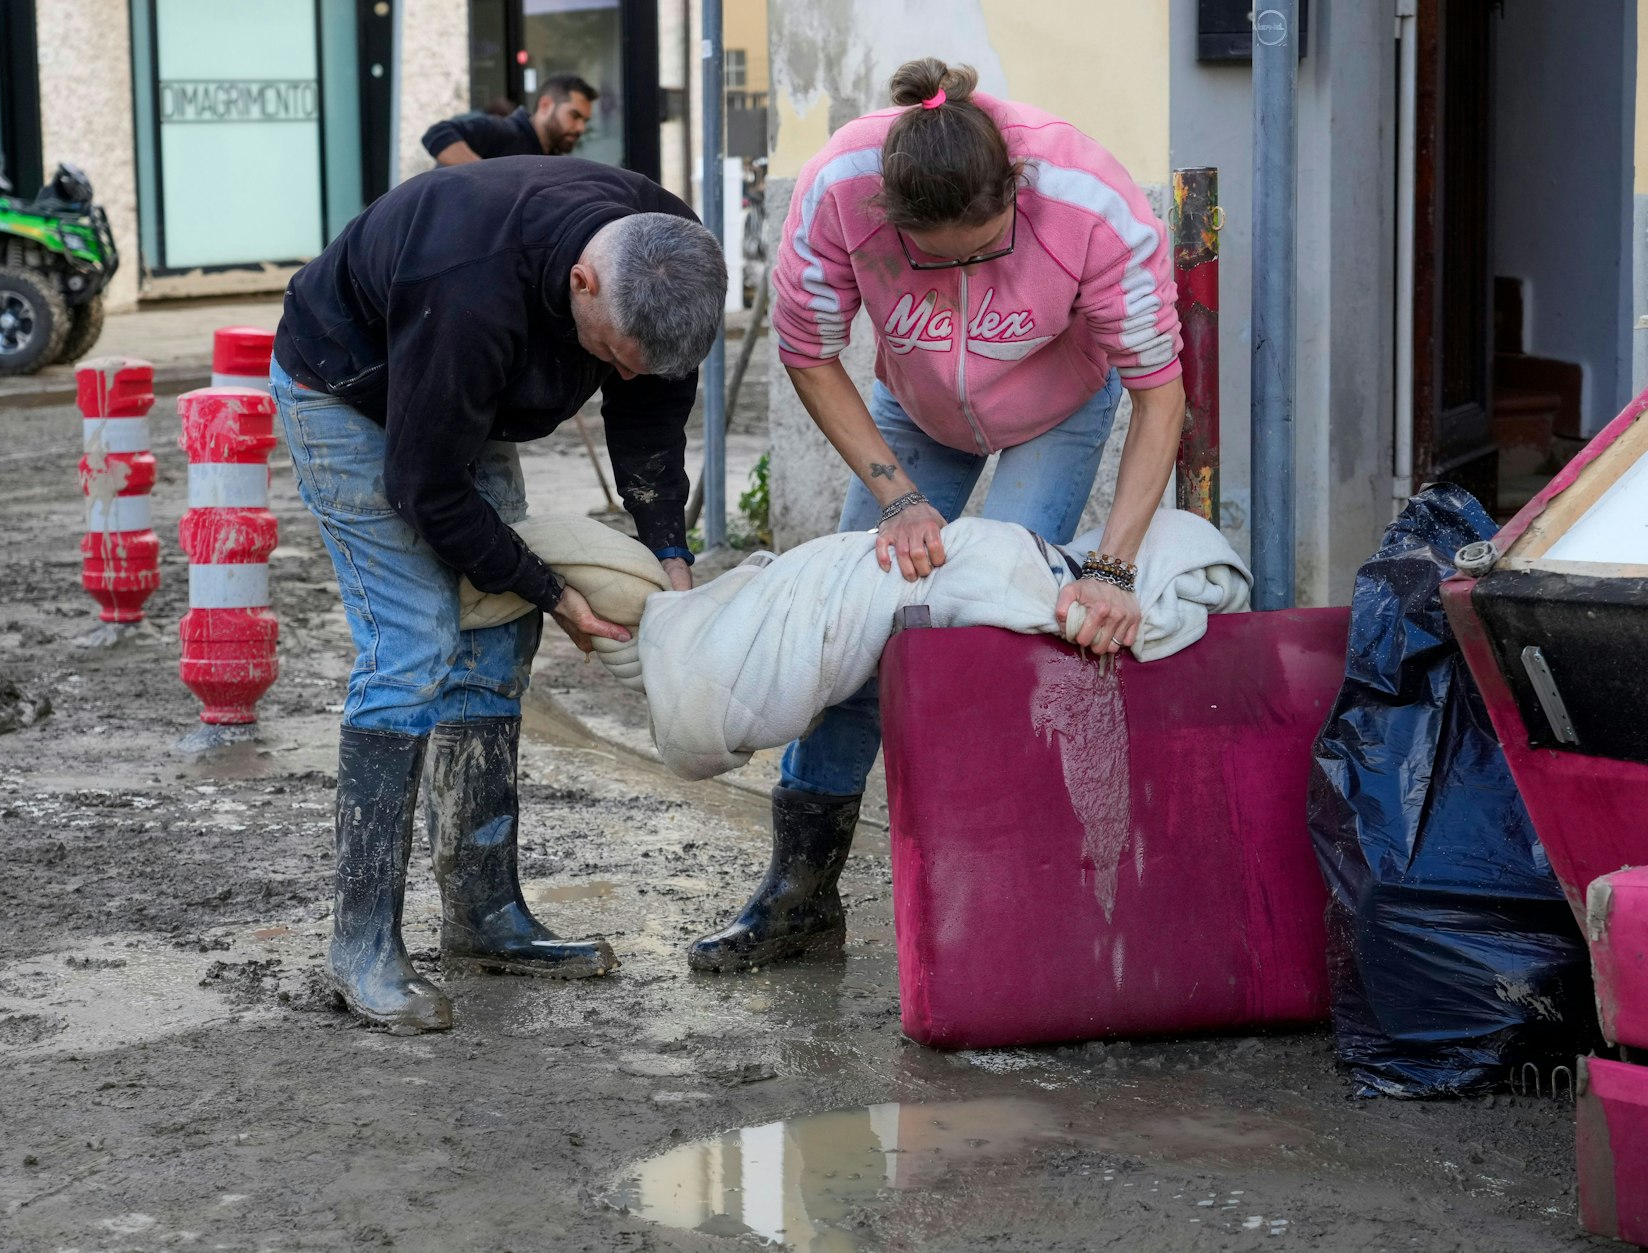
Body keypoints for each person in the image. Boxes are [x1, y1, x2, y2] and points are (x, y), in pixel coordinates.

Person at [689, 58, 1187, 972]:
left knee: (1001, 630)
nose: (966, 270)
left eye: (987, 246)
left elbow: (1161, 392)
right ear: (891, 216)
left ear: (1018, 194)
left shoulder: (1088, 196)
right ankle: (799, 897)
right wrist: (898, 496)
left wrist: (1110, 571)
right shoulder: (841, 187)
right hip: (914, 413)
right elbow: (807, 350)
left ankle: (994, 897)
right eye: (939, 256)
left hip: (1057, 405)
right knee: (864, 631)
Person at [271, 157, 726, 1031]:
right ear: (582, 282)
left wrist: (669, 559)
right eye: (609, 358)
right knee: (415, 642)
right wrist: (552, 589)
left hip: (463, 392)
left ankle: (483, 914)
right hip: (355, 390)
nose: (621, 378)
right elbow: (426, 487)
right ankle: (360, 947)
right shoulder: (471, 288)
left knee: (497, 639)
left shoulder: (670, 262)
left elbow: (651, 414)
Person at [423, 74, 597, 165]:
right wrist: (491, 176)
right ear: (545, 106)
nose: (580, 128)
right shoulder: (504, 131)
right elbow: (437, 134)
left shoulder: (550, 158)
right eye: (574, 116)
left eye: (585, 121)